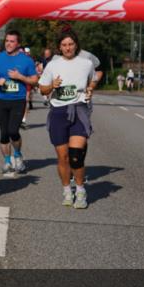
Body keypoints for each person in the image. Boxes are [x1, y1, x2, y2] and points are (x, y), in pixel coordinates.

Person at [38, 30, 97, 209]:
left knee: (76, 156)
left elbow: (92, 80)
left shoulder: (86, 63)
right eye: (64, 45)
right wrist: (52, 86)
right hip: (58, 112)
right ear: (59, 48)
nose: (68, 48)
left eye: (70, 44)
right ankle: (66, 190)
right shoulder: (52, 65)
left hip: (79, 110)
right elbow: (42, 90)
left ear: (76, 45)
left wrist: (90, 88)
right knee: (62, 157)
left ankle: (80, 190)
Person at [0, 30, 39, 178]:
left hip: (18, 100)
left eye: (12, 41)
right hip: (2, 100)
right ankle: (7, 162)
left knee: (13, 131)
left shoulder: (26, 61)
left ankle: (17, 155)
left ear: (18, 44)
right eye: (7, 41)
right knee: (4, 133)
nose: (8, 44)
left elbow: (35, 80)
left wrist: (20, 77)